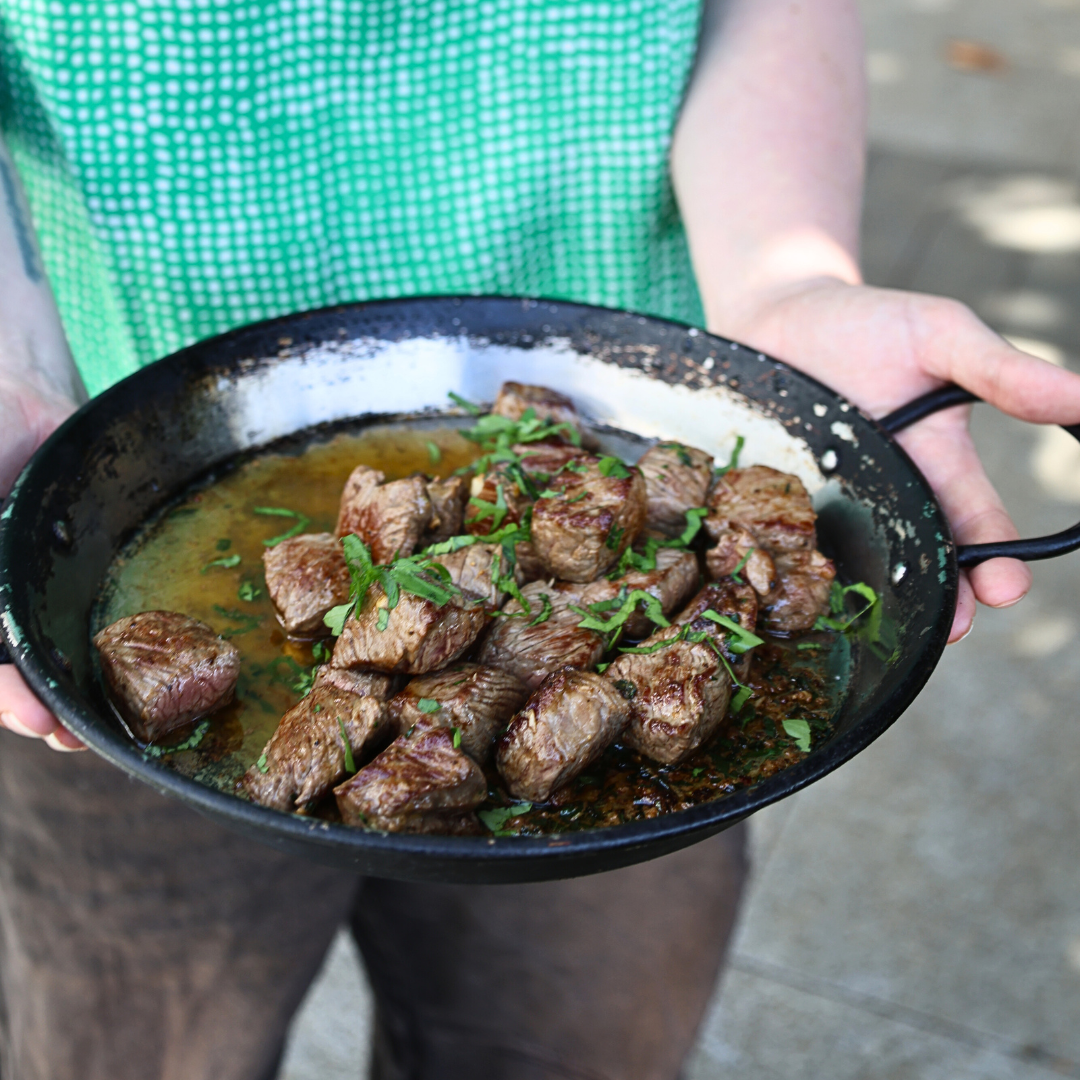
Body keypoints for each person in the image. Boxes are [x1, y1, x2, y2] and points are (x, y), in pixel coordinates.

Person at [1, 1, 1077, 1077]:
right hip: (125, 396)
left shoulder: (624, 560)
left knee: (569, 1043)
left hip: (642, 333)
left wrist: (784, 285)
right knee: (134, 1048)